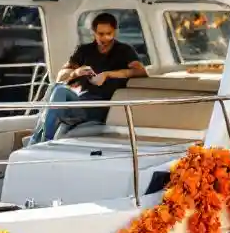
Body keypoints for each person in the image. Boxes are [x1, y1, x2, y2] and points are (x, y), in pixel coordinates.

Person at [27, 12, 147, 145]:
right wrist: (76, 72)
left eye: (109, 34)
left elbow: (140, 71)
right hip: (81, 102)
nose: (105, 38)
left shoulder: (124, 50)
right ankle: (42, 138)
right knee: (55, 88)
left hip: (100, 107)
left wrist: (107, 74)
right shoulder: (84, 50)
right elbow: (60, 76)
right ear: (94, 33)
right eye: (101, 34)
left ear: (115, 32)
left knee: (58, 93)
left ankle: (42, 140)